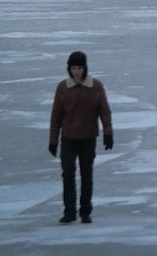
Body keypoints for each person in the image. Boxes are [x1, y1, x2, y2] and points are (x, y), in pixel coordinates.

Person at [49, 51, 113, 224]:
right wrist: (53, 140)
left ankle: (85, 211)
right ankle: (69, 211)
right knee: (68, 173)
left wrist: (108, 133)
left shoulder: (96, 86)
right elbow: (56, 115)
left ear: (85, 68)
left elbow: (104, 111)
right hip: (68, 139)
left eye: (79, 68)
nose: (76, 72)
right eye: (73, 68)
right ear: (69, 69)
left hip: (88, 138)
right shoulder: (63, 87)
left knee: (86, 175)